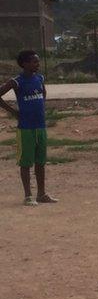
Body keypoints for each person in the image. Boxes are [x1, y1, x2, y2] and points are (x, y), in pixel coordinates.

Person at [0, 50, 57, 206]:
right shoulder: (16, 81)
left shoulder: (40, 78)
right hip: (25, 128)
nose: (37, 64)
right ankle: (28, 196)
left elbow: (43, 93)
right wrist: (13, 112)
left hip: (40, 126)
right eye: (34, 62)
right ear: (24, 64)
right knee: (26, 162)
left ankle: (42, 194)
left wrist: (39, 107)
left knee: (40, 161)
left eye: (38, 62)